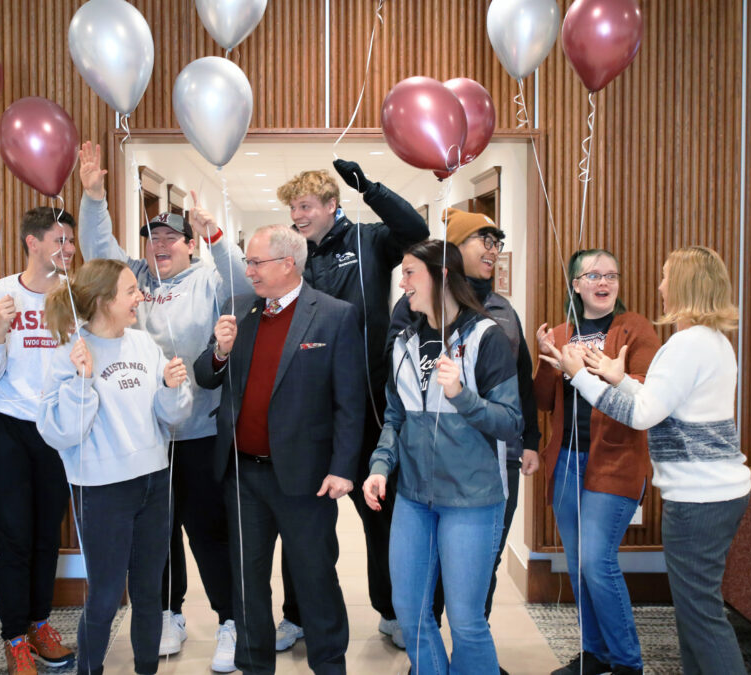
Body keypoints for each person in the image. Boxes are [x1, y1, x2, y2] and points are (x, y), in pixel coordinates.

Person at [77, 141, 249, 671]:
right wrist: (93, 197)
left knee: (207, 531)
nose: (161, 245)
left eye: (173, 237)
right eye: (153, 237)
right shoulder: (138, 282)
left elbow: (244, 282)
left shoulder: (208, 279)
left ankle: (229, 619)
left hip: (197, 430)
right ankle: (169, 612)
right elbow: (97, 246)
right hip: (147, 440)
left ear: (189, 244)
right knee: (160, 535)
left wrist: (214, 232)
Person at [543, 246, 751, 675]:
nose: (659, 286)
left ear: (683, 286)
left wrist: (583, 378)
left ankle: (622, 662)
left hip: (701, 497)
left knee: (702, 618)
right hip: (713, 492)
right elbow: (663, 403)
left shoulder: (685, 344)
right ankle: (601, 654)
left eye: (665, 277)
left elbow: (642, 416)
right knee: (696, 615)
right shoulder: (711, 341)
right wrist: (619, 379)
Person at [194, 225, 363, 675]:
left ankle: (329, 665)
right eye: (247, 262)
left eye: (255, 263)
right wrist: (220, 350)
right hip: (242, 476)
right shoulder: (238, 310)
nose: (248, 271)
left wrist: (344, 467)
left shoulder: (333, 316)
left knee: (315, 580)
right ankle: (254, 666)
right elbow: (205, 376)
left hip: (306, 478)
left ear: (288, 264)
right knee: (247, 583)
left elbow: (350, 402)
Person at [274, 161, 428, 649]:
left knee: (380, 516)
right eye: (292, 208)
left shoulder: (367, 241)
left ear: (330, 205)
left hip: (367, 406)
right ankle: (296, 615)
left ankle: (393, 612)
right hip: (309, 410)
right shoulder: (295, 256)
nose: (297, 215)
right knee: (302, 521)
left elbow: (415, 231)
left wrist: (371, 188)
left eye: (305, 206)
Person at [387, 210, 540, 668]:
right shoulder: (407, 329)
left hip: (478, 486)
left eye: (409, 274)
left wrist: (466, 398)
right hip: (417, 489)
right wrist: (381, 465)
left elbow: (517, 397)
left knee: (469, 612)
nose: (492, 249)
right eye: (483, 240)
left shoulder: (494, 322)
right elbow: (397, 407)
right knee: (415, 609)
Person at [38, 258, 192, 675]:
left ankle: (146, 669)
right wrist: (82, 380)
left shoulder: (143, 344)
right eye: (130, 291)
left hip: (154, 482)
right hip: (102, 490)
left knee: (148, 594)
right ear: (105, 300)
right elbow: (59, 433)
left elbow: (170, 415)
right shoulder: (70, 354)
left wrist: (172, 388)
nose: (140, 297)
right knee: (105, 596)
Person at [533, 249, 659, 675]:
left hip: (617, 462)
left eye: (611, 275)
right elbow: (542, 401)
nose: (603, 283)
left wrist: (607, 373)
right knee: (578, 563)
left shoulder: (634, 329)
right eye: (593, 276)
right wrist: (550, 360)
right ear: (576, 285)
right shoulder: (565, 332)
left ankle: (627, 663)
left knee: (596, 562)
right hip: (567, 461)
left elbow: (645, 394)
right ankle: (594, 654)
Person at [0, 208, 79, 675]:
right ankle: (14, 638)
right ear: (32, 243)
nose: (68, 249)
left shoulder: (75, 296)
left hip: (55, 429)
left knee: (45, 537)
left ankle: (39, 624)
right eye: (59, 240)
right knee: (14, 538)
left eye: (71, 240)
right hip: (6, 429)